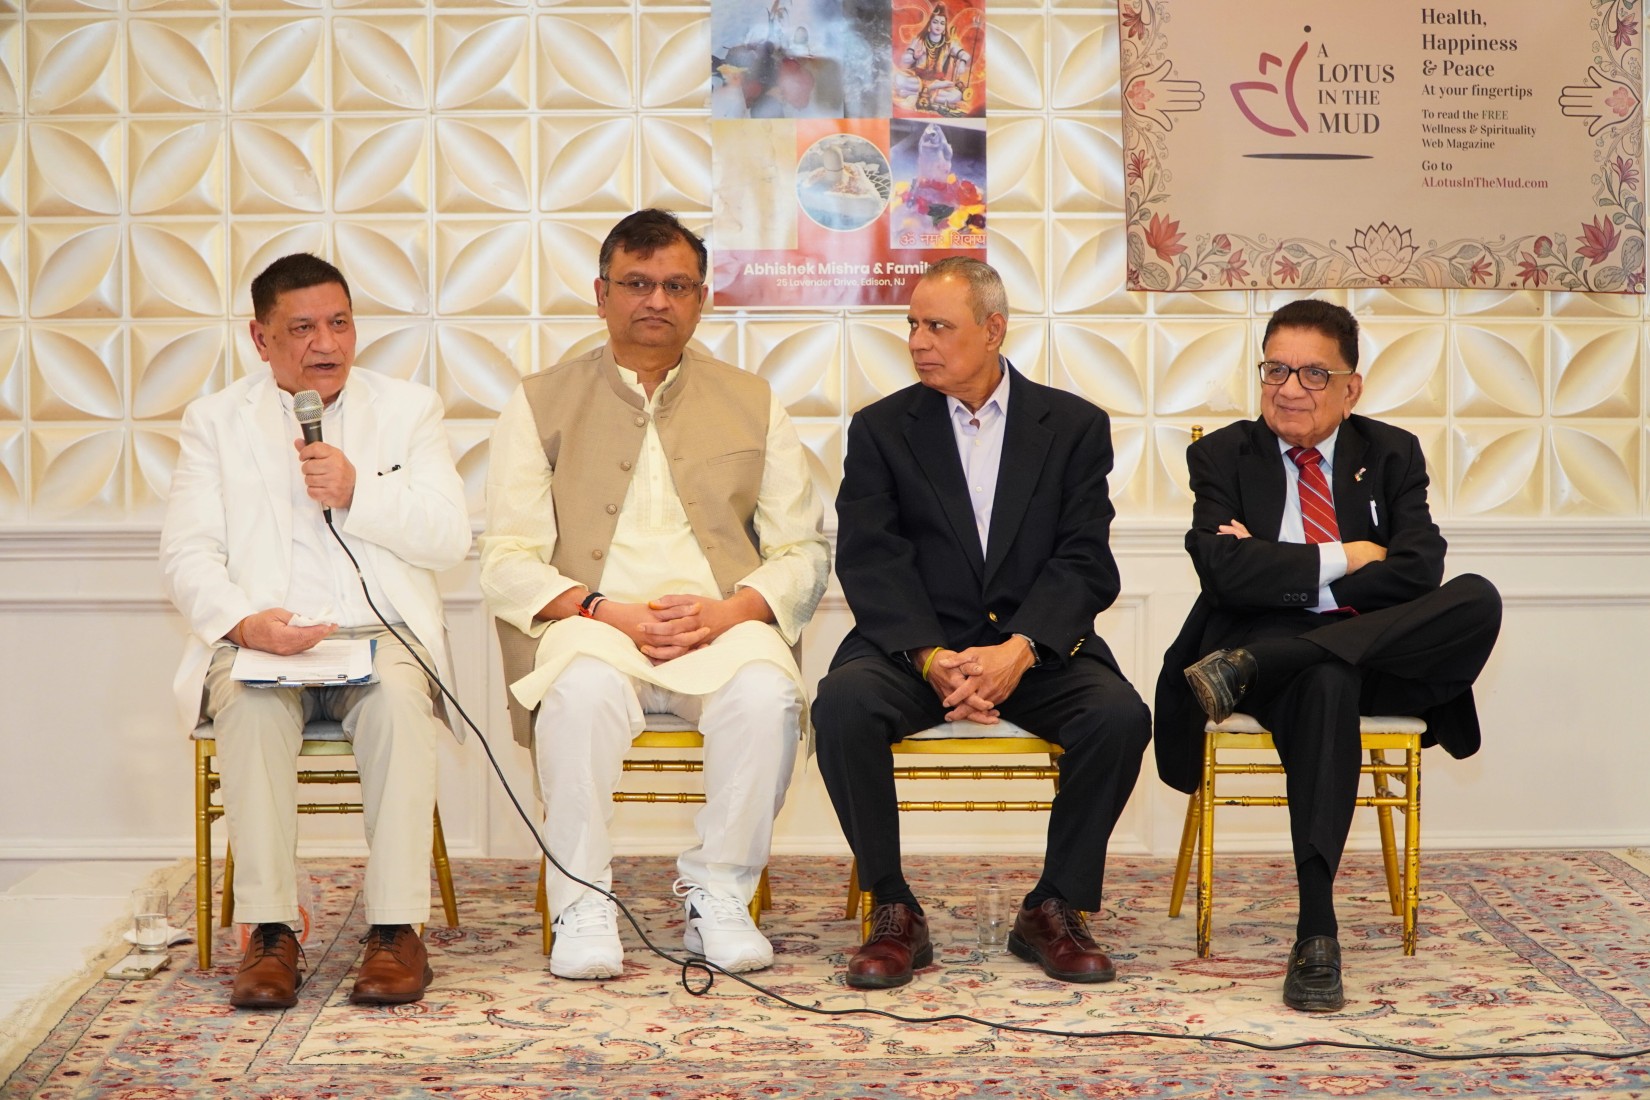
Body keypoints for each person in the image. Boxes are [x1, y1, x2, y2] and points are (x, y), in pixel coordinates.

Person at [479, 209, 829, 981]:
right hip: (597, 619)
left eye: (676, 285)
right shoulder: (539, 400)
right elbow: (506, 558)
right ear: (601, 294)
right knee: (575, 697)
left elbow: (803, 550)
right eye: (637, 284)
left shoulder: (754, 400)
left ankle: (719, 894)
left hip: (721, 619)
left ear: (703, 299)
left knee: (768, 698)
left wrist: (730, 611)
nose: (656, 301)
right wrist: (608, 612)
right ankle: (581, 899)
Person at [1154, 298, 1501, 1013]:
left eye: (1315, 374)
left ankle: (1274, 661)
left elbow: (1420, 570)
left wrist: (1275, 563)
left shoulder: (1391, 451)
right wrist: (1345, 555)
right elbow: (1223, 573)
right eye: (1276, 369)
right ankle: (1317, 931)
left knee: (1477, 596)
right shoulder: (1222, 454)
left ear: (1353, 388)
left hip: (1353, 655)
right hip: (1268, 655)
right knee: (1326, 680)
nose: (1289, 389)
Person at [813, 257, 1151, 990]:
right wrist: (932, 655)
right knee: (841, 705)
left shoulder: (1073, 426)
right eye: (912, 324)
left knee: (1120, 716)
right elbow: (872, 558)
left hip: (1033, 650)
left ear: (993, 329)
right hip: (915, 649)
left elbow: (1084, 559)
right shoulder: (880, 430)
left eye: (938, 325)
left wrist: (1020, 650)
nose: (918, 341)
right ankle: (893, 909)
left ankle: (1052, 906)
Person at [160, 253, 471, 1010]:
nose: (325, 343)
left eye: (338, 323)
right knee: (250, 703)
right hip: (264, 636)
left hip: (377, 633)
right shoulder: (214, 422)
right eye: (301, 328)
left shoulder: (410, 409)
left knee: (399, 705)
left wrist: (359, 490)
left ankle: (396, 931)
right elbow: (188, 551)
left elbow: (448, 538)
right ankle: (270, 933)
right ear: (261, 340)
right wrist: (245, 623)